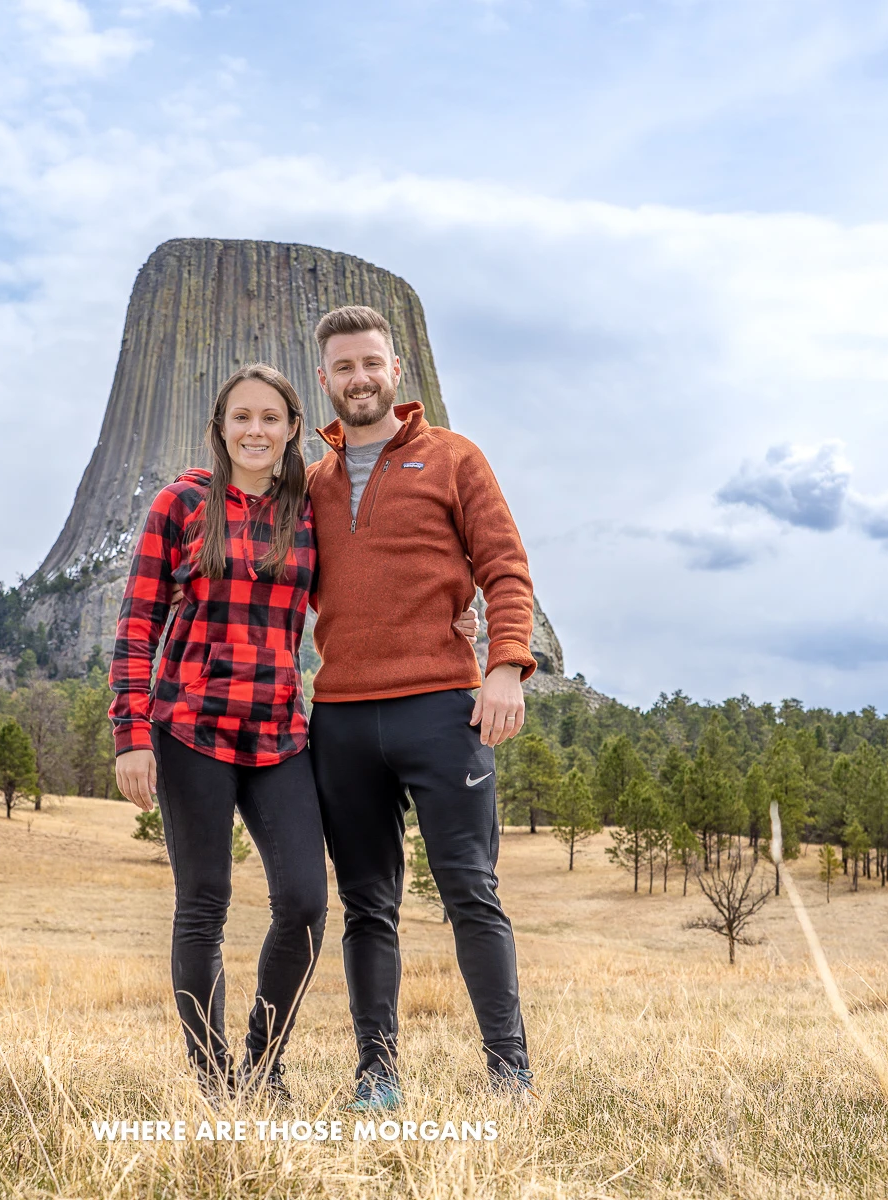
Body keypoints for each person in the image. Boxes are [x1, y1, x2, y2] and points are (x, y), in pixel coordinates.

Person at [108, 362, 475, 1102]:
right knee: (203, 905)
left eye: (270, 418)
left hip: (280, 731)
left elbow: (379, 579)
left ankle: (263, 1062)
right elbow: (137, 624)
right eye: (241, 417)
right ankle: (218, 1083)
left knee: (305, 902)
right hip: (190, 728)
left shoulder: (304, 509)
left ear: (291, 430)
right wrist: (132, 733)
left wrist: (456, 615)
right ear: (220, 428)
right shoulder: (180, 506)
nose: (255, 430)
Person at [305, 304, 538, 1111]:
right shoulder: (315, 482)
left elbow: (505, 568)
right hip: (339, 718)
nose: (359, 378)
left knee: (471, 889)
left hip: (442, 709)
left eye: (371, 362)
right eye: (343, 366)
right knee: (367, 904)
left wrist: (504, 665)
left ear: (395, 371)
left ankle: (508, 1072)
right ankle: (376, 1074)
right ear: (325, 378)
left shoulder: (452, 457)